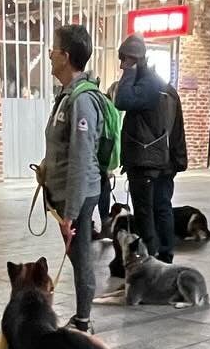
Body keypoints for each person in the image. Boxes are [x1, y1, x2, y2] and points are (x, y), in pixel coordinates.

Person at [40, 24, 103, 333]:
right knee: (76, 256)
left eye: (53, 50)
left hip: (78, 193)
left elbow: (80, 158)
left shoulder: (82, 101)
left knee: (80, 258)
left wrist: (71, 214)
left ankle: (83, 322)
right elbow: (61, 144)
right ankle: (82, 319)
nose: (49, 55)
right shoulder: (65, 95)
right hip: (64, 190)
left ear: (65, 56)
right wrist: (46, 167)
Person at [114, 35, 186, 263]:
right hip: (163, 163)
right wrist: (176, 161)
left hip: (146, 163)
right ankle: (165, 256)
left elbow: (121, 100)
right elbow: (178, 129)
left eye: (123, 60)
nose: (120, 65)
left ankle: (153, 259)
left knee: (146, 213)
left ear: (132, 59)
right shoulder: (165, 86)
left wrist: (129, 71)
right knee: (162, 208)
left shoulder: (147, 85)